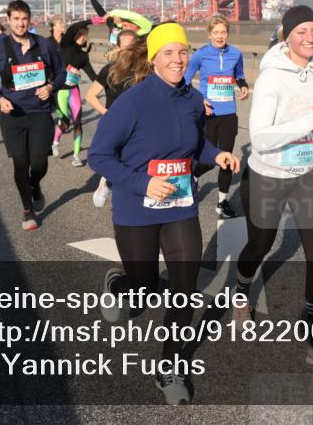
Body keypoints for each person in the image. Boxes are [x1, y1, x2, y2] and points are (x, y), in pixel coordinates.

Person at [88, 22, 239, 406]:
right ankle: (118, 285)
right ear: (153, 57)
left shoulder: (191, 99)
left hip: (180, 205)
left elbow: (194, 145)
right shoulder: (133, 102)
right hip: (136, 208)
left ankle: (169, 366)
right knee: (144, 289)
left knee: (183, 288)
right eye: (168, 52)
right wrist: (143, 184)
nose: (177, 59)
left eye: (182, 51)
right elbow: (99, 155)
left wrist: (214, 154)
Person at [233, 5, 313, 373]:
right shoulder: (271, 79)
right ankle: (241, 290)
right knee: (259, 246)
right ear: (287, 35)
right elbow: (262, 138)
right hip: (268, 176)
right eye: (302, 32)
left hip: (308, 174)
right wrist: (308, 121)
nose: (310, 38)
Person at [0, 0, 66, 231]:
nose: (20, 24)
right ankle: (28, 210)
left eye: (24, 19)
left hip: (39, 113)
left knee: (38, 162)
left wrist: (51, 87)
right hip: (14, 116)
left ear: (30, 20)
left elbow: (61, 74)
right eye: (16, 19)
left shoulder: (44, 46)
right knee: (20, 162)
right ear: (8, 21)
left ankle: (35, 185)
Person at [183, 14, 249, 219]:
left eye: (223, 32)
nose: (220, 36)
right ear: (209, 34)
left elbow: (238, 75)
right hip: (208, 114)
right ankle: (192, 175)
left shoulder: (236, 53)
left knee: (226, 158)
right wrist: (200, 101)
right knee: (209, 160)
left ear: (228, 33)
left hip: (229, 113)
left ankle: (222, 202)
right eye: (216, 32)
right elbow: (185, 81)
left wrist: (243, 86)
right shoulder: (200, 55)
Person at [85, 30, 140, 207]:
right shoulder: (110, 70)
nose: (128, 52)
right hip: (115, 125)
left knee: (134, 162)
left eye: (132, 47)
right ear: (118, 48)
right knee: (116, 161)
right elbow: (91, 96)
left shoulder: (144, 70)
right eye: (124, 48)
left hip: (137, 125)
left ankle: (128, 200)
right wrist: (107, 113)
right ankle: (107, 182)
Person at [53, 17, 104, 166]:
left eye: (85, 35)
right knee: (65, 123)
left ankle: (76, 156)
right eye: (81, 34)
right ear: (75, 35)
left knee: (77, 123)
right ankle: (55, 141)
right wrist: (92, 20)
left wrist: (107, 84)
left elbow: (93, 76)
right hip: (60, 91)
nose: (83, 37)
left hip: (73, 91)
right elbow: (74, 26)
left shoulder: (83, 56)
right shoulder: (66, 45)